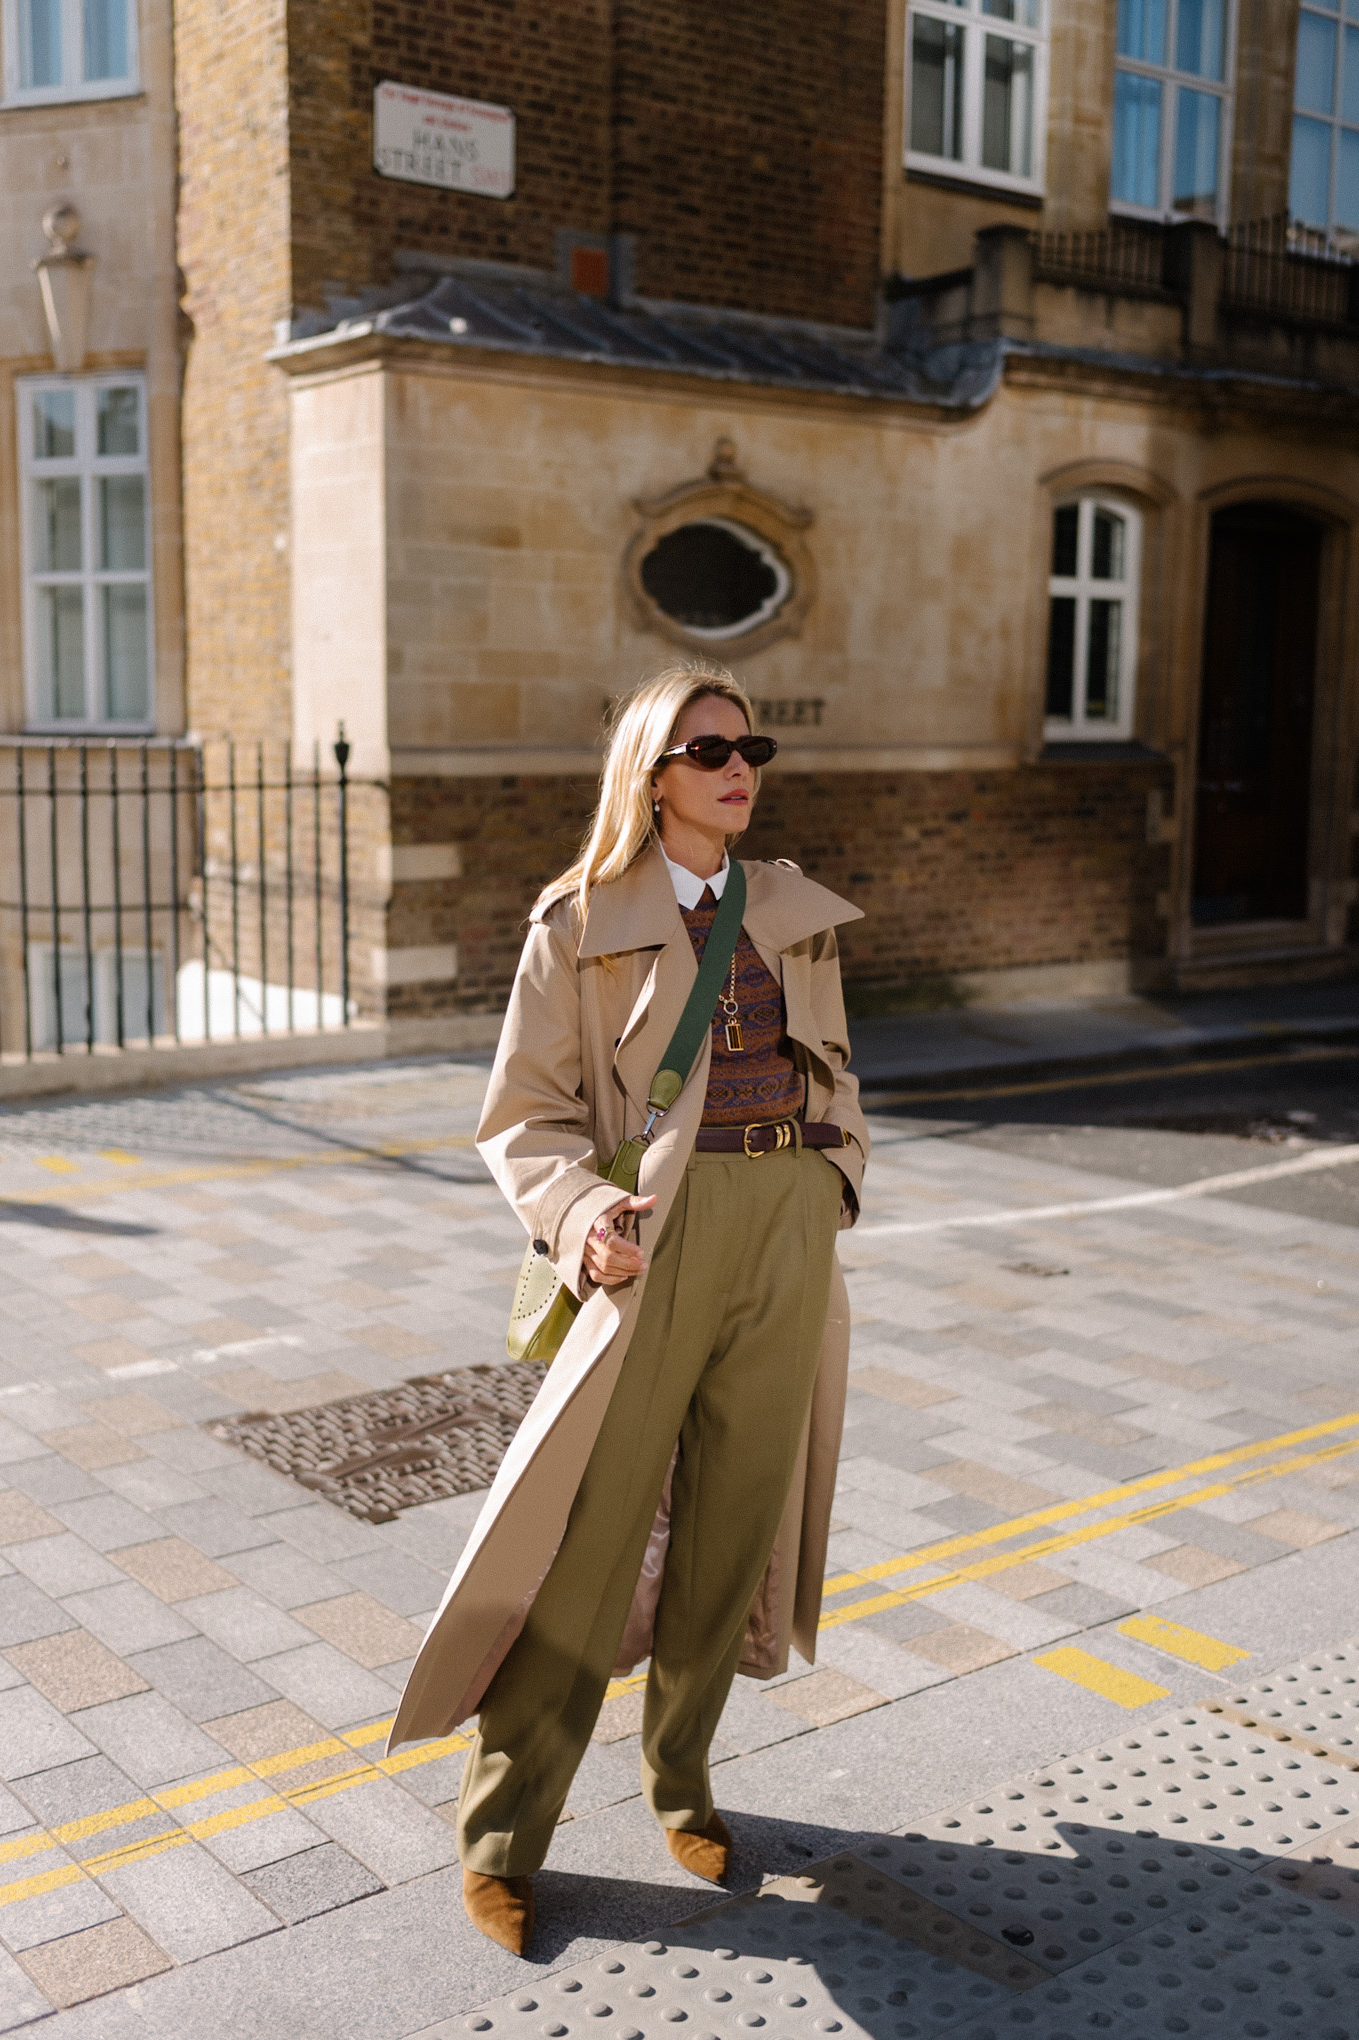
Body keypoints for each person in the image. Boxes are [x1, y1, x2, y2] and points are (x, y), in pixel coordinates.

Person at [386, 661, 869, 1956]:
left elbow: (833, 1071)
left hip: (784, 1234)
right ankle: (502, 1837)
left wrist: (836, 1179)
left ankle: (683, 1781)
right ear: (652, 773)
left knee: (730, 1536)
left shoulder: (790, 912)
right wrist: (581, 1216)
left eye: (751, 747)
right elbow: (522, 1116)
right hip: (655, 1242)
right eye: (711, 749)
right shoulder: (578, 920)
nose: (740, 767)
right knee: (585, 1549)